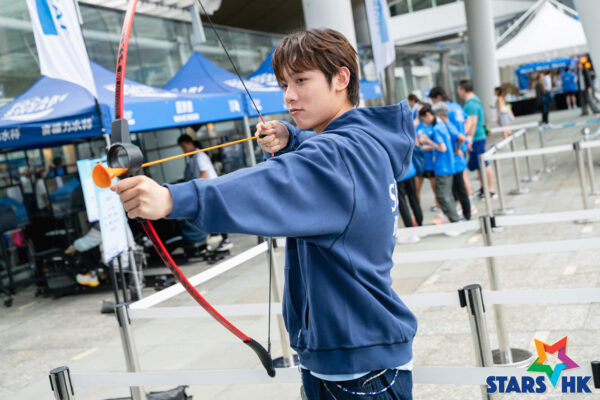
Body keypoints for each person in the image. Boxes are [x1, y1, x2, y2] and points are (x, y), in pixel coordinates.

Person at [112, 28, 417, 399]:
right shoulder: (362, 143)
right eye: (284, 84)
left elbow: (271, 184)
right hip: (356, 354)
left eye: (301, 80)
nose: (289, 95)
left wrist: (172, 199)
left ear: (341, 78)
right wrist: (292, 137)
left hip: (358, 369)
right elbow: (320, 160)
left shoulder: (338, 155)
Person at [177, 133, 232, 252]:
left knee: (213, 215)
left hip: (211, 189)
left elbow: (204, 174)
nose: (183, 150)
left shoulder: (199, 156)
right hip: (206, 189)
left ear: (190, 144)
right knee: (209, 215)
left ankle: (224, 239)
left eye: (183, 147)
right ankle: (213, 239)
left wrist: (194, 187)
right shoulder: (193, 157)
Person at [428, 86, 474, 214]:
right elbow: (468, 120)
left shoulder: (445, 112)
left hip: (453, 150)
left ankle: (465, 207)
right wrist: (463, 133)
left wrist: (457, 144)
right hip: (458, 147)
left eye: (433, 100)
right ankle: (468, 206)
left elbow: (454, 133)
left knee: (458, 182)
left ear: (438, 97)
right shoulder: (456, 106)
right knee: (462, 178)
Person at [418, 104, 459, 223]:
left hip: (443, 167)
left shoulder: (437, 128)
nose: (424, 122)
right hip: (447, 165)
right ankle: (455, 219)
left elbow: (442, 148)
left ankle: (455, 220)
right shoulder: (441, 125)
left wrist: (428, 141)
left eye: (424, 119)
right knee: (447, 195)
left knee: (442, 196)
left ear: (428, 115)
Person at [457, 79, 495, 200]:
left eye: (458, 89)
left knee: (484, 163)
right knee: (480, 165)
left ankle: (490, 189)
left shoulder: (471, 104)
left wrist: (469, 139)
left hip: (476, 138)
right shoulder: (473, 101)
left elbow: (472, 123)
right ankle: (484, 188)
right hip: (477, 137)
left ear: (462, 89)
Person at [432, 102, 470, 221]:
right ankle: (463, 214)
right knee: (456, 190)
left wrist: (457, 149)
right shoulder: (447, 124)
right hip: (454, 161)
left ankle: (466, 215)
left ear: (440, 114)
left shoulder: (446, 125)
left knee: (459, 189)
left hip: (455, 162)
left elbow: (461, 138)